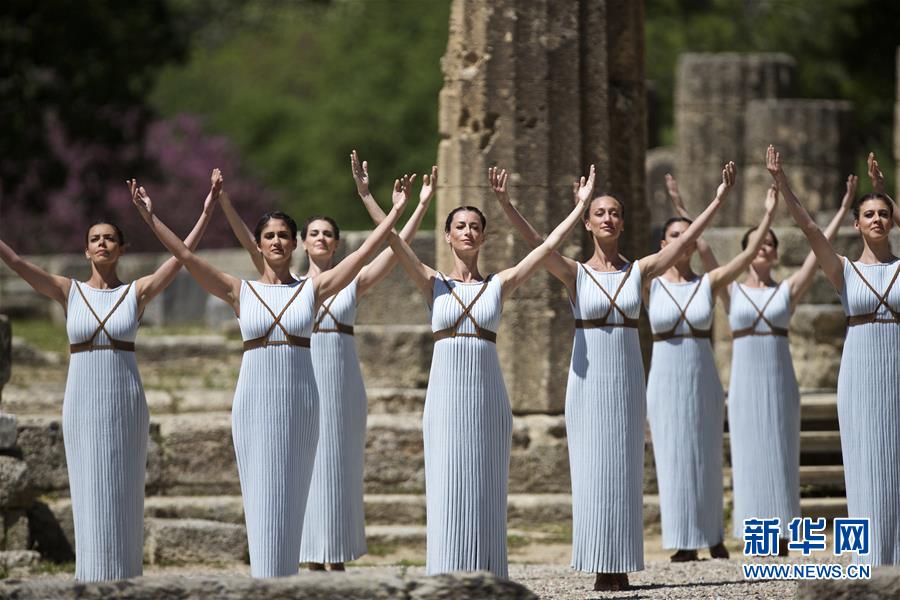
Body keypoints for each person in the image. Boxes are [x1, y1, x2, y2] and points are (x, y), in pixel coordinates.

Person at [130, 175, 406, 577]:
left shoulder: (312, 290)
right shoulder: (239, 291)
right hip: (254, 403)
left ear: (294, 245)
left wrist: (396, 211)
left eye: (283, 236)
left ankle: (288, 579)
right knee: (260, 497)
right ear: (258, 244)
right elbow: (185, 257)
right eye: (269, 236)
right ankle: (264, 581)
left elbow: (364, 253)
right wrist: (151, 218)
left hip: (301, 402)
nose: (277, 241)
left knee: (295, 495)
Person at [491, 162, 736, 591]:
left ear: (622, 223)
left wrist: (717, 200)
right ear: (587, 223)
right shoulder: (575, 273)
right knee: (591, 468)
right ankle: (597, 558)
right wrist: (507, 204)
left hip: (626, 382)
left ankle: (619, 560)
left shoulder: (639, 271)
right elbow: (537, 244)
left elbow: (686, 242)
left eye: (614, 213)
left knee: (623, 467)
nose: (608, 218)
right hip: (587, 384)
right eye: (600, 213)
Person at [374, 164, 598, 578]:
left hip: (488, 399)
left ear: (484, 237)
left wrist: (579, 208)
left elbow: (547, 246)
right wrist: (395, 206)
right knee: (446, 484)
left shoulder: (499, 284)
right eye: (459, 226)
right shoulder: (432, 282)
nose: (467, 232)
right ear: (447, 235)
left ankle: (487, 573)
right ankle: (446, 575)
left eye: (475, 226)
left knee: (485, 485)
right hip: (444, 399)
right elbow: (391, 240)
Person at [0, 170, 222, 580]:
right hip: (81, 401)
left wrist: (203, 211)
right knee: (88, 489)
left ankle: (125, 578)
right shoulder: (68, 291)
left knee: (123, 490)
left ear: (121, 249)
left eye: (109, 239)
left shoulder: (136, 292)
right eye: (95, 239)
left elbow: (182, 257)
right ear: (86, 250)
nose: (102, 243)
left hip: (125, 401)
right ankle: (90, 578)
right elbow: (16, 262)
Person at [219, 151, 436, 570]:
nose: (320, 238)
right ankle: (304, 551)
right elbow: (251, 240)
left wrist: (417, 206)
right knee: (305, 464)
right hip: (297, 376)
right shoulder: (292, 288)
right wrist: (225, 202)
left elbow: (395, 249)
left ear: (337, 243)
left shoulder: (349, 282)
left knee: (337, 464)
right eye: (314, 233)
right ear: (301, 241)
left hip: (341, 380)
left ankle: (335, 552)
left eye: (328, 234)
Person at [667, 171, 856, 554]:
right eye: (758, 243)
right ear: (747, 251)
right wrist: (680, 207)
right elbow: (699, 244)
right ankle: (756, 534)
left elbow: (819, 252)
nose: (764, 248)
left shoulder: (788, 290)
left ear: (775, 253)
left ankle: (783, 534)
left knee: (782, 455)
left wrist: (843, 209)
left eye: (770, 243)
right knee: (748, 458)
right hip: (744, 385)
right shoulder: (730, 291)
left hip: (780, 382)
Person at [768, 145, 899, 566]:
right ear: (856, 224)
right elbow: (809, 228)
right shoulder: (845, 269)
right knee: (864, 463)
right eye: (869, 214)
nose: (877, 219)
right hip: (859, 372)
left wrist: (884, 191)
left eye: (884, 214)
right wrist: (783, 184)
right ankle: (872, 560)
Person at [646, 178, 778, 562]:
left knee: (707, 454)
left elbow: (747, 254)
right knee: (672, 455)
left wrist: (769, 215)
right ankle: (684, 539)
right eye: (675, 236)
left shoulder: (709, 282)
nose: (683, 241)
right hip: (664, 375)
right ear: (663, 244)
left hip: (702, 373)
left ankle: (713, 535)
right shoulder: (648, 283)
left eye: (688, 236)